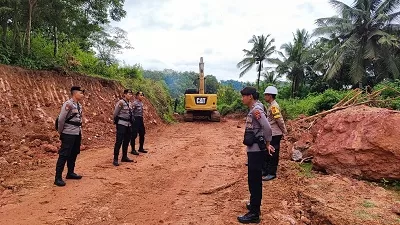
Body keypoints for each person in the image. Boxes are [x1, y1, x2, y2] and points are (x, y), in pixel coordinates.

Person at [238, 86, 273, 224]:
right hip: (255, 150)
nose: (242, 99)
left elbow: (268, 128)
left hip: (256, 151)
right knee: (254, 181)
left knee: (254, 181)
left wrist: (268, 143)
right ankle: (254, 206)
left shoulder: (256, 110)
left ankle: (254, 214)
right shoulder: (257, 108)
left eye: (244, 96)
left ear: (250, 96)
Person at [254, 86, 287, 181]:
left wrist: (284, 131)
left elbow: (279, 120)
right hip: (270, 133)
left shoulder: (274, 107)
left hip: (275, 133)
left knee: (273, 153)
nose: (264, 96)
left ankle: (272, 173)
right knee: (267, 152)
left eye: (266, 95)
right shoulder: (271, 106)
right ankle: (266, 171)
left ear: (270, 96)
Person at [54, 86, 85, 187]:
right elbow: (61, 119)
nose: (82, 95)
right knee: (64, 154)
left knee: (74, 153)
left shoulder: (79, 105)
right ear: (75, 93)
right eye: (81, 93)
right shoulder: (68, 104)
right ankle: (58, 178)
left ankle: (70, 173)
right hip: (68, 133)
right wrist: (61, 132)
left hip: (77, 132)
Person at [112, 89, 135, 166]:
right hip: (121, 123)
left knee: (126, 141)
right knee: (119, 141)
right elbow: (115, 113)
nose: (130, 95)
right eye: (128, 94)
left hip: (128, 124)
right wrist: (116, 121)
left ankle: (124, 157)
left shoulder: (130, 103)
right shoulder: (121, 102)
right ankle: (115, 159)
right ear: (124, 94)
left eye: (131, 94)